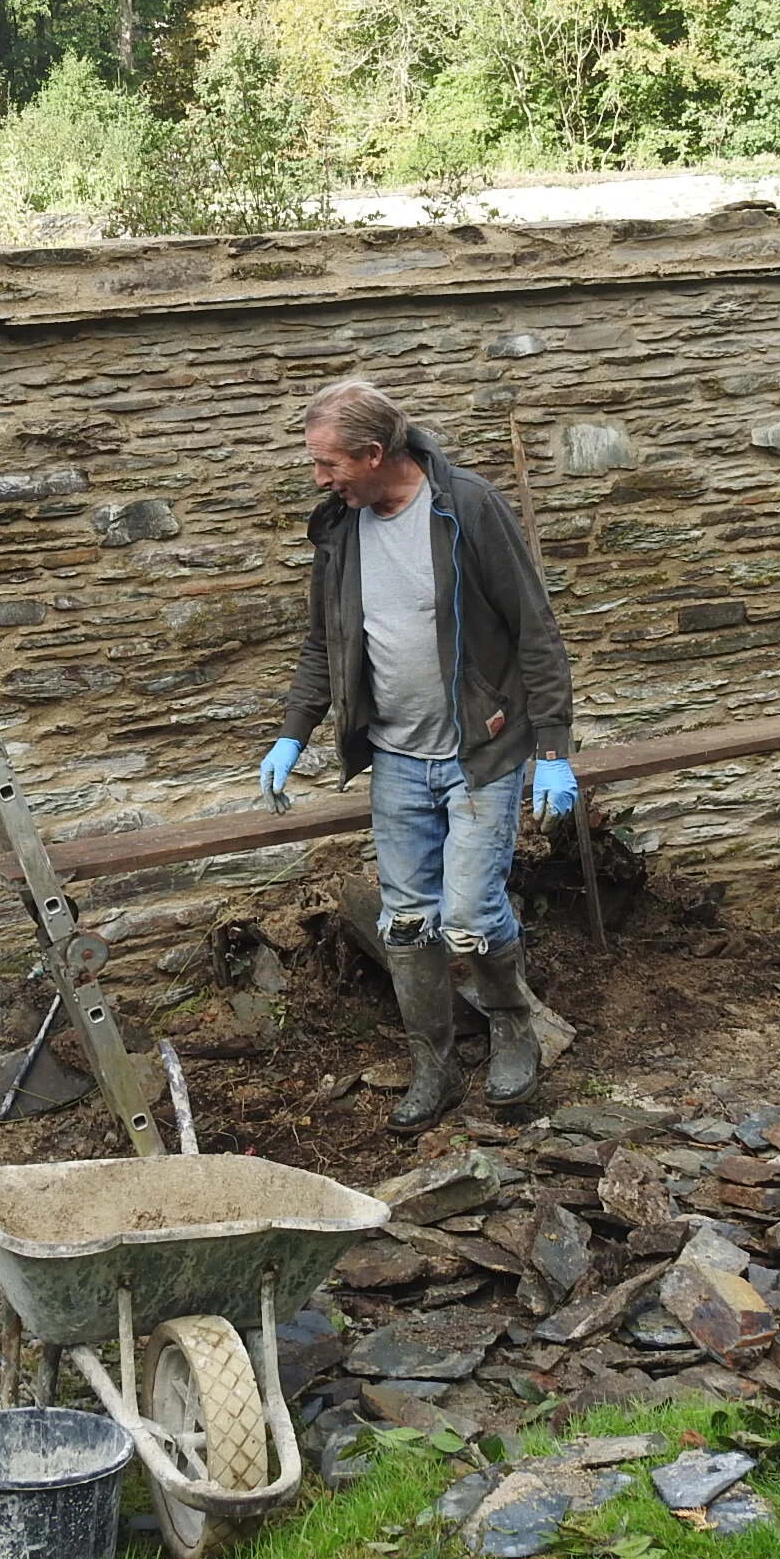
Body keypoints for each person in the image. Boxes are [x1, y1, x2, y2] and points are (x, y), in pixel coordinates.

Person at [259, 379, 576, 1132]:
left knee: (468, 914)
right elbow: (322, 643)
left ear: (373, 455)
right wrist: (293, 730)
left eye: (328, 463)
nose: (319, 478)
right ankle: (432, 1066)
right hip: (397, 758)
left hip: (478, 750)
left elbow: (536, 630)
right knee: (408, 922)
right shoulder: (340, 527)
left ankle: (510, 1027)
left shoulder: (465, 508)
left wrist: (556, 748)